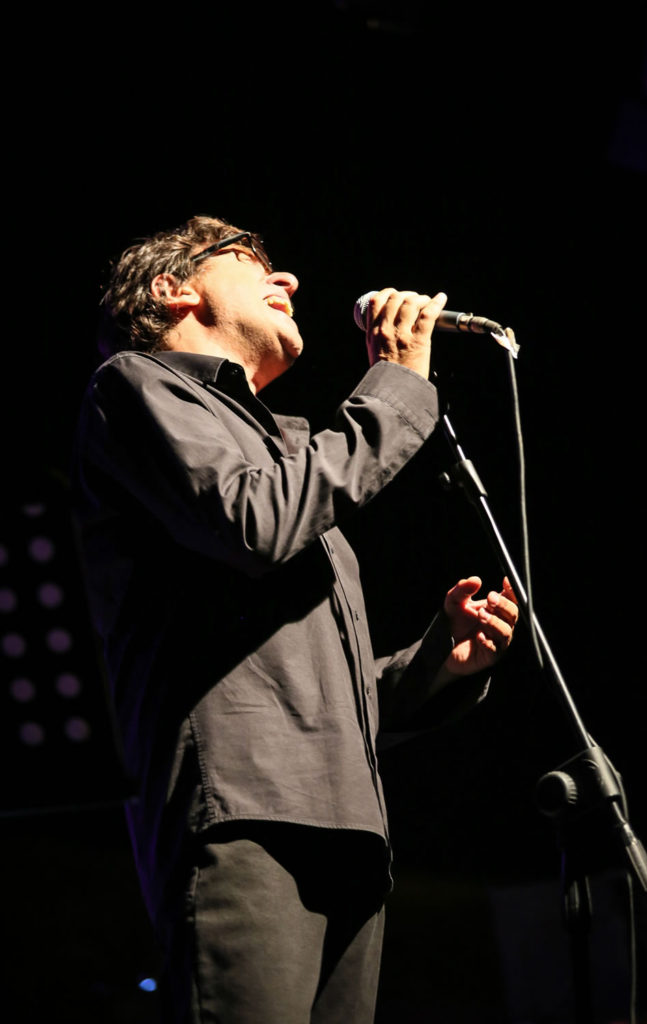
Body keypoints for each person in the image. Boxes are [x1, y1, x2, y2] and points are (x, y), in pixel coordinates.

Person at [71, 214, 519, 1023]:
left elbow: (317, 696)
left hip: (346, 823)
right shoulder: (135, 385)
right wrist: (395, 385)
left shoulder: (287, 454)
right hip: (240, 814)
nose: (288, 279)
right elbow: (258, 523)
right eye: (249, 261)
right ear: (172, 290)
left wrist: (436, 663)